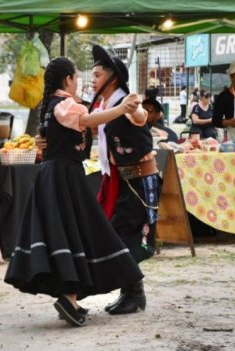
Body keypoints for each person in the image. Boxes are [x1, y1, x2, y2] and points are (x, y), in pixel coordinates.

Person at [4, 56, 144, 327]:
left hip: (55, 176)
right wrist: (121, 108)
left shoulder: (53, 106)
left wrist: (126, 106)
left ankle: (71, 297)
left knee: (66, 233)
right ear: (67, 80)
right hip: (63, 176)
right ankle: (70, 297)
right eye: (79, 76)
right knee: (74, 231)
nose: (83, 81)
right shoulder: (66, 104)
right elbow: (89, 120)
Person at [91, 45, 160, 315]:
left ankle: (135, 294)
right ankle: (129, 292)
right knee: (114, 234)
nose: (93, 80)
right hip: (119, 179)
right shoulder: (105, 104)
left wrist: (135, 108)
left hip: (139, 181)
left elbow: (140, 116)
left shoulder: (127, 100)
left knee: (125, 236)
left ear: (113, 79)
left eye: (97, 75)